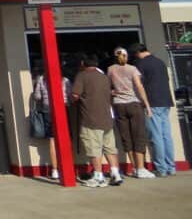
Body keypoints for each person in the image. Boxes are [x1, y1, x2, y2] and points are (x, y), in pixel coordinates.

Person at [72, 54, 123, 186]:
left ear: (83, 63)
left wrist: (71, 100)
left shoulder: (82, 76)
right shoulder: (104, 77)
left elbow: (75, 95)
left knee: (94, 148)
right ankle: (115, 174)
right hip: (107, 118)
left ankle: (98, 176)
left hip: (90, 119)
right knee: (110, 148)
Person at [107, 47, 154, 178]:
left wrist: (113, 93)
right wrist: (147, 105)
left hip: (118, 105)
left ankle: (134, 167)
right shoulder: (132, 69)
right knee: (138, 136)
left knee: (126, 137)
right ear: (126, 56)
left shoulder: (110, 69)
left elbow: (109, 87)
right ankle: (140, 168)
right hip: (133, 103)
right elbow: (139, 86)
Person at [130, 42, 176, 176]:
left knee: (155, 136)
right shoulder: (160, 62)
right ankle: (170, 166)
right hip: (165, 100)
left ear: (137, 54)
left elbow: (139, 85)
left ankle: (161, 168)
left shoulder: (140, 64)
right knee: (166, 135)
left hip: (152, 102)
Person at [30, 63, 71, 180]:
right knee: (65, 138)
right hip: (63, 109)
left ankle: (54, 170)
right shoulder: (65, 80)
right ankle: (68, 167)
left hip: (47, 111)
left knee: (52, 140)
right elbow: (69, 95)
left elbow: (37, 97)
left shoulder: (41, 79)